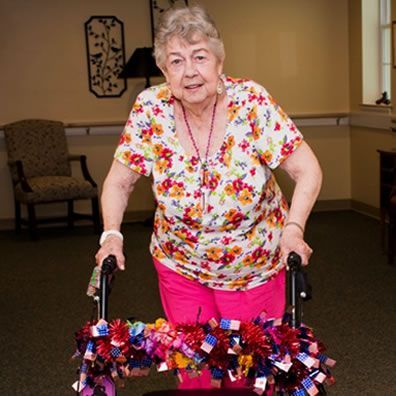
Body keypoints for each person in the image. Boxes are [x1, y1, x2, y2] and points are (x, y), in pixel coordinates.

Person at [95, 5, 322, 390]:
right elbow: (118, 182)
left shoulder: (252, 103)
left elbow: (308, 170)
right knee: (194, 372)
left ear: (219, 60)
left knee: (246, 377)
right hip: (180, 264)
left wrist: (293, 229)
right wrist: (112, 234)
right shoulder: (150, 109)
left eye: (199, 56)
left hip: (253, 266)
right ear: (164, 71)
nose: (189, 71)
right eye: (176, 61)